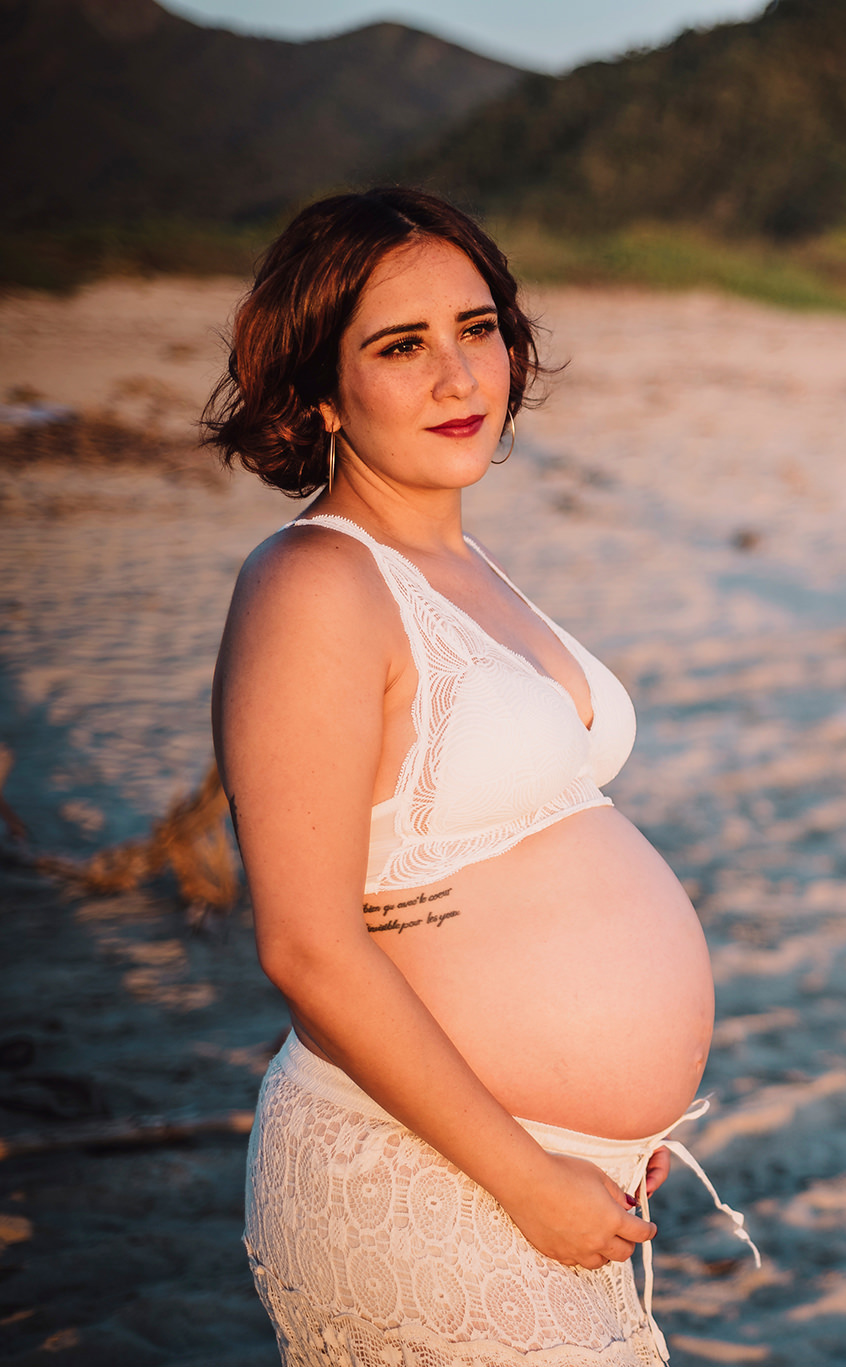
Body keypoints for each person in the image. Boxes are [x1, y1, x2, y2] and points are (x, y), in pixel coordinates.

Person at [205, 187, 755, 1367]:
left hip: (542, 1164)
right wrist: (527, 1174)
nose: (460, 376)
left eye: (477, 328)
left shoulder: (462, 560)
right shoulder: (314, 584)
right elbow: (306, 945)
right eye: (401, 346)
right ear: (319, 390)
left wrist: (604, 1129)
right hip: (427, 1171)